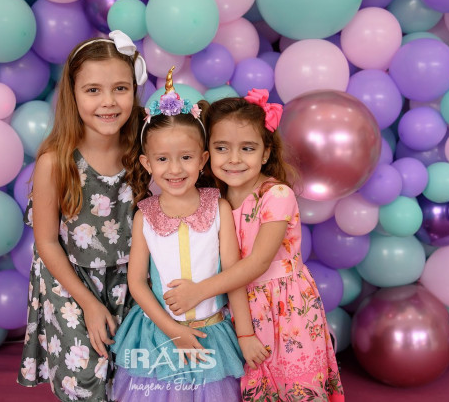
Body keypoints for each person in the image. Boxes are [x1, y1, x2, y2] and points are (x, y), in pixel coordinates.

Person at [163, 89, 345, 401]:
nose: (234, 159)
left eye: (247, 148)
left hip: (285, 308)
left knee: (294, 383)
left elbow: (258, 263)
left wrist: (198, 291)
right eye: (222, 148)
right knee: (254, 384)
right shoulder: (213, 200)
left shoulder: (276, 196)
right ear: (207, 152)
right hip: (238, 306)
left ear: (265, 153)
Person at [110, 70, 269, 401]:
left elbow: (233, 276)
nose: (175, 169)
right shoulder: (144, 216)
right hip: (160, 335)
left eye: (186, 157)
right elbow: (137, 283)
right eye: (162, 159)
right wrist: (173, 331)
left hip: (211, 331)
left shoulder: (219, 207)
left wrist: (245, 334)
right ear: (147, 163)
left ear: (202, 160)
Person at [17, 30, 148, 401]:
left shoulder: (144, 150)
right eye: (93, 90)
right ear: (72, 95)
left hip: (130, 280)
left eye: (120, 88)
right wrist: (89, 304)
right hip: (71, 283)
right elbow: (46, 242)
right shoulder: (56, 163)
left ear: (134, 90)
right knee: (85, 379)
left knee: (132, 376)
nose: (108, 102)